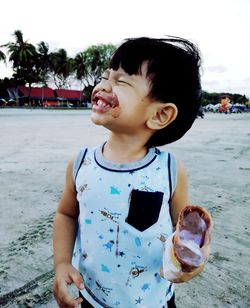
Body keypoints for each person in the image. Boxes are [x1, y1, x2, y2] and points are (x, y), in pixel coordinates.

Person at [53, 36, 205, 307]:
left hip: (153, 300)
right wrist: (62, 263)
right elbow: (66, 213)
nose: (103, 85)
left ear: (160, 115)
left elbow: (185, 232)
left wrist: (190, 263)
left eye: (121, 81)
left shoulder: (169, 170)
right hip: (90, 297)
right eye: (105, 76)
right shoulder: (81, 162)